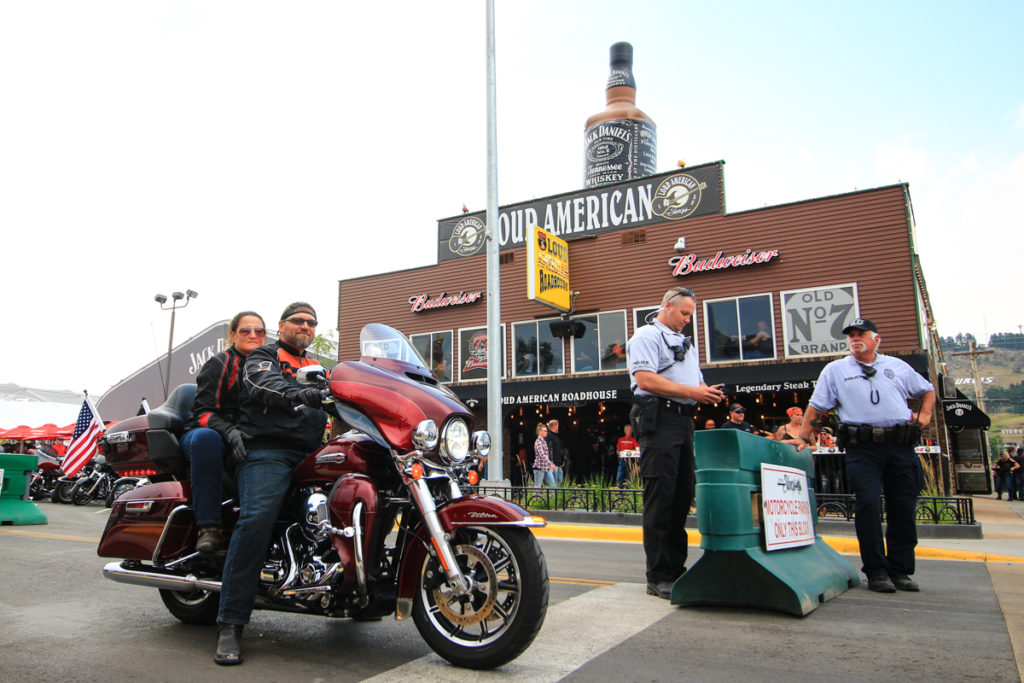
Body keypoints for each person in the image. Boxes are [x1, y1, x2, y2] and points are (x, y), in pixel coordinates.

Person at [214, 302, 329, 666]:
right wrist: (298, 394)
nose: (305, 326)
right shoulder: (263, 356)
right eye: (298, 320)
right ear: (282, 325)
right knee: (257, 519)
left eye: (311, 323)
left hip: (312, 452)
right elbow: (263, 383)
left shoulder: (318, 366)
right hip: (268, 450)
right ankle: (230, 622)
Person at [794, 317, 935, 594]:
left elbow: (927, 390)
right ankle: (877, 571)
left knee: (902, 508)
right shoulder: (835, 370)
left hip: (899, 445)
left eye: (861, 333)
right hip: (863, 448)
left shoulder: (897, 366)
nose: (855, 338)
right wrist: (801, 437)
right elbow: (816, 407)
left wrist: (925, 415)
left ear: (876, 339)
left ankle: (900, 570)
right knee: (868, 506)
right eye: (851, 335)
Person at [626, 286, 725, 599]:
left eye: (691, 315)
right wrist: (694, 392)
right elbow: (645, 380)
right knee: (662, 495)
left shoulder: (685, 343)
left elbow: (695, 381)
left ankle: (675, 569)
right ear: (667, 306)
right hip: (659, 419)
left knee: (682, 494)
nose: (687, 320)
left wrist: (706, 391)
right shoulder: (645, 335)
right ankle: (658, 575)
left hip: (683, 420)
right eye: (684, 313)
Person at [181, 311, 266, 555]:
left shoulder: (267, 367)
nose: (253, 335)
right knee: (207, 439)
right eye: (245, 330)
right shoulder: (220, 363)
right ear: (232, 334)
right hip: (205, 433)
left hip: (248, 436)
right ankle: (208, 526)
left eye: (259, 331)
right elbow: (203, 413)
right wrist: (229, 431)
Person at [532, 423, 557, 487]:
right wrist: (551, 464)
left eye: (547, 431)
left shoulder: (543, 441)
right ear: (540, 431)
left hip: (546, 467)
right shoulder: (538, 442)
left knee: (553, 485)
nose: (547, 432)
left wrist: (549, 465)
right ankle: (535, 497)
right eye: (545, 431)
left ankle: (551, 497)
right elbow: (542, 455)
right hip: (539, 467)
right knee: (537, 487)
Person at [545, 419, 565, 486]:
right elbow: (548, 450)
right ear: (555, 426)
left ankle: (558, 495)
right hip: (553, 464)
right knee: (555, 483)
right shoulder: (548, 436)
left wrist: (561, 461)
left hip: (558, 463)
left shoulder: (555, 435)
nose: (558, 427)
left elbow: (558, 450)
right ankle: (554, 496)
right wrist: (551, 463)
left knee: (560, 480)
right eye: (558, 426)